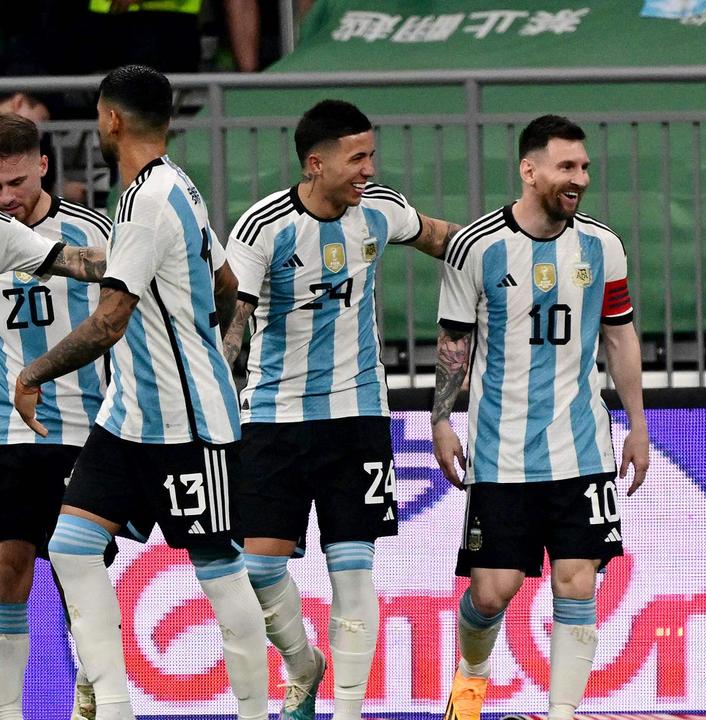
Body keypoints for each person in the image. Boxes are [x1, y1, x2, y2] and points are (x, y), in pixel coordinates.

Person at [11, 65, 268, 720]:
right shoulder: (161, 191)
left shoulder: (149, 200)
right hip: (129, 420)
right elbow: (223, 285)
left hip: (188, 422)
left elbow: (107, 321)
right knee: (69, 547)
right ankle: (114, 709)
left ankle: (254, 711)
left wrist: (32, 374)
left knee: (217, 566)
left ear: (112, 120)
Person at [220, 98, 460, 720]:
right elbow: (232, 326)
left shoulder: (378, 210)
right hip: (272, 417)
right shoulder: (262, 229)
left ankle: (348, 712)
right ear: (314, 163)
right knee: (256, 569)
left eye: (371, 154)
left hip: (358, 419)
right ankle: (302, 664)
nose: (368, 169)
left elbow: (441, 239)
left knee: (353, 572)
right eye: (357, 158)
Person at [432, 114, 649, 720]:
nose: (578, 178)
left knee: (578, 581)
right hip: (501, 450)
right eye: (566, 167)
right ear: (530, 172)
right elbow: (454, 343)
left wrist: (637, 423)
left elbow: (620, 335)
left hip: (583, 448)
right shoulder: (475, 247)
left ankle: (563, 713)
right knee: (491, 593)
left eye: (583, 167)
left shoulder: (603, 246)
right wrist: (443, 420)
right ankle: (469, 688)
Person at [0, 113, 110, 720]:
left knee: (77, 574)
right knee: (6, 567)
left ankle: (91, 691)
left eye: (17, 182)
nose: (7, 198)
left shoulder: (93, 233)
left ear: (44, 165)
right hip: (8, 429)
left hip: (83, 429)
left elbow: (123, 313)